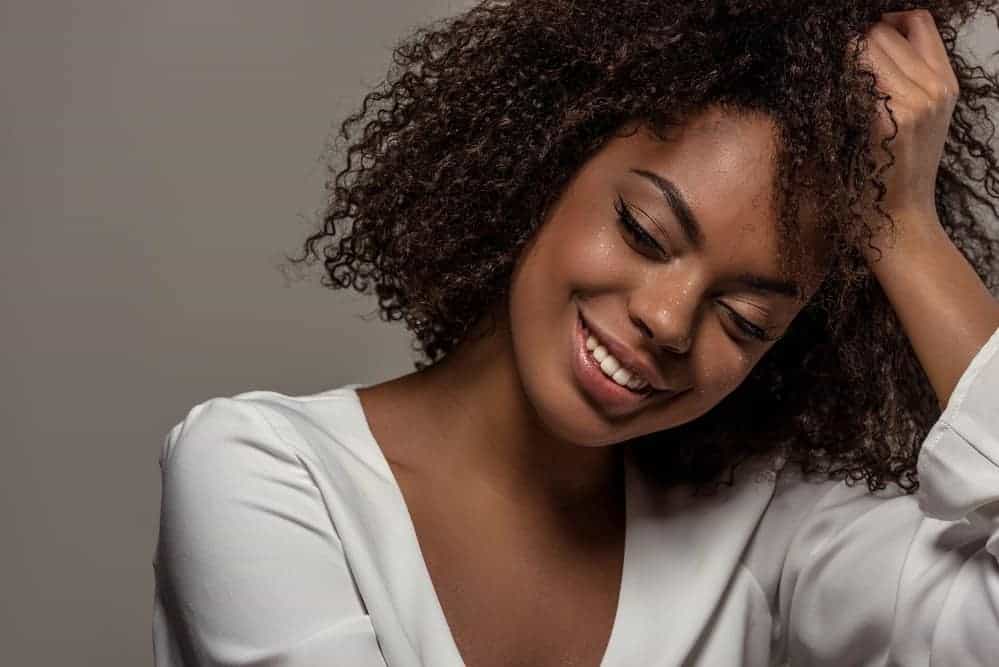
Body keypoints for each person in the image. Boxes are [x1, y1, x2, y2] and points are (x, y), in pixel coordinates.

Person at [152, 1, 999, 665]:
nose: (666, 321)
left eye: (744, 320)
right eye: (642, 232)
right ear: (543, 165)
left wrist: (906, 230)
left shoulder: (767, 536)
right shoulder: (266, 471)